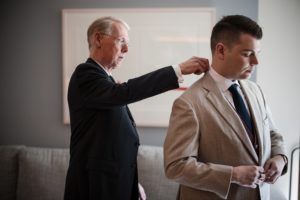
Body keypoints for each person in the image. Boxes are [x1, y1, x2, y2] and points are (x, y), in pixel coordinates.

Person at [64, 16, 209, 200]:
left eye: (128, 43)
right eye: (121, 41)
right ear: (98, 39)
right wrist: (178, 70)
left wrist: (132, 183)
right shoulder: (86, 74)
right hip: (95, 187)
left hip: (114, 183)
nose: (126, 49)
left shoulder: (104, 82)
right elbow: (124, 93)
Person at [164, 15, 288, 200]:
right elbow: (175, 167)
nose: (256, 62)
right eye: (247, 54)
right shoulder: (188, 103)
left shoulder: (256, 90)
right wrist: (233, 175)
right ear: (221, 50)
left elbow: (273, 134)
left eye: (257, 54)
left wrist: (280, 158)